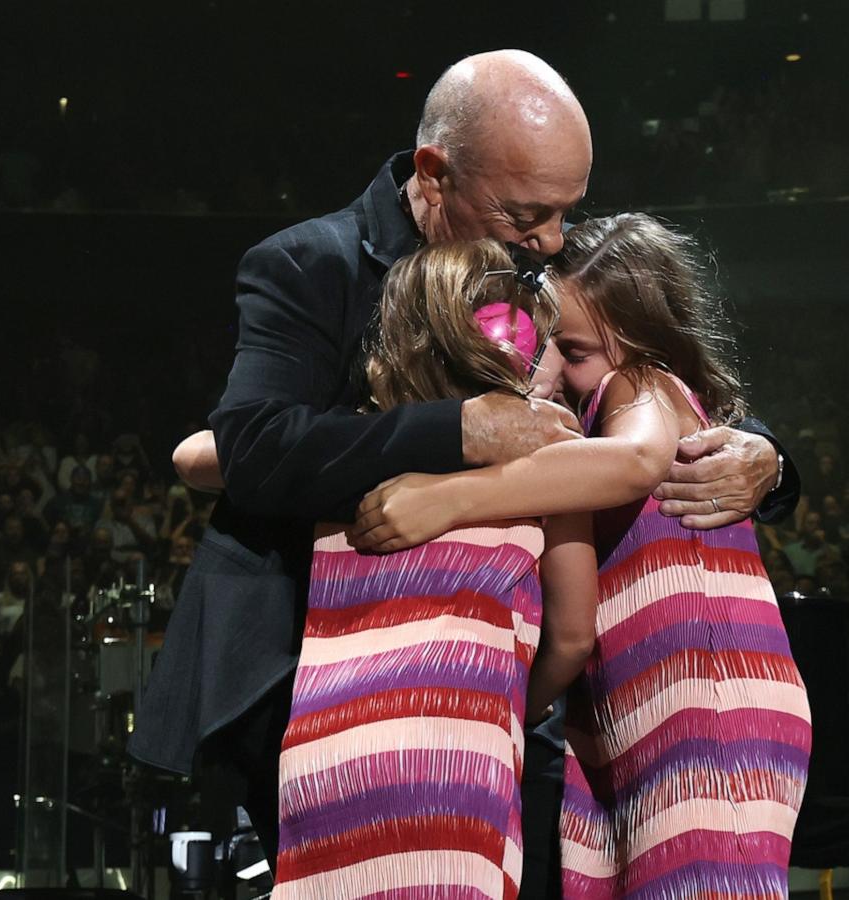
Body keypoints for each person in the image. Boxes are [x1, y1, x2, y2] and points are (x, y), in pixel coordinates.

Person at [130, 49, 799, 893]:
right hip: (319, 684)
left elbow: (651, 356)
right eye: (530, 212)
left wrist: (766, 455)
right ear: (435, 174)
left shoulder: (531, 250)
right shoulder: (313, 266)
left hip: (513, 694)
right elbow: (254, 447)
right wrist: (458, 432)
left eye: (567, 213)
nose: (552, 240)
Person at [348, 214, 810, 896]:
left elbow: (636, 459)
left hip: (703, 707)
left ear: (644, 341)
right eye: (551, 342)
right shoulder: (580, 419)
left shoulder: (638, 385)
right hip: (625, 719)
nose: (557, 366)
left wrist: (445, 499)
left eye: (577, 348)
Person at [272, 240, 599, 897]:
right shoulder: (550, 445)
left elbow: (201, 454)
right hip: (452, 750)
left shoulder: (345, 445)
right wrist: (508, 707)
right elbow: (573, 636)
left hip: (322, 751)